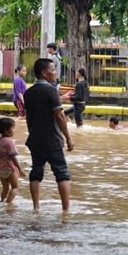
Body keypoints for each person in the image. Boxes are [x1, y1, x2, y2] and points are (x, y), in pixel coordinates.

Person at [24, 58, 74, 211]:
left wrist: (32, 132)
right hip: (52, 139)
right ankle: (66, 209)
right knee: (62, 173)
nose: (55, 73)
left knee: (36, 172)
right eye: (53, 70)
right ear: (44, 73)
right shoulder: (51, 90)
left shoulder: (29, 92)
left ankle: (36, 207)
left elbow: (28, 118)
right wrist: (68, 137)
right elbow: (59, 116)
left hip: (35, 139)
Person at [0, 117, 27, 204]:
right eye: (13, 128)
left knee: (5, 188)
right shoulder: (9, 142)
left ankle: (2, 202)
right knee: (15, 187)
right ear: (6, 130)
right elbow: (13, 157)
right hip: (10, 168)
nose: (14, 130)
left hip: (0, 169)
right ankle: (8, 203)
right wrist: (20, 168)